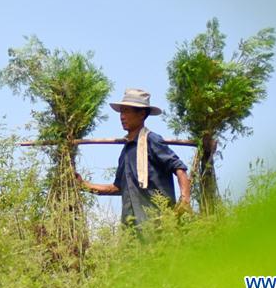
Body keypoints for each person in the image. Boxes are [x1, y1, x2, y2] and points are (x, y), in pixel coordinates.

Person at [77, 88, 191, 227]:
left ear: (142, 114)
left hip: (159, 224)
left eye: (126, 111)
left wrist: (184, 199)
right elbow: (118, 187)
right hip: (132, 228)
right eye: (121, 111)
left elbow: (179, 168)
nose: (122, 116)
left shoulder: (152, 140)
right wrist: (84, 185)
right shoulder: (126, 151)